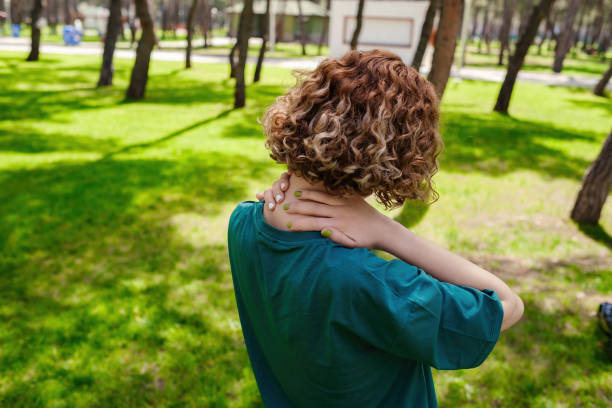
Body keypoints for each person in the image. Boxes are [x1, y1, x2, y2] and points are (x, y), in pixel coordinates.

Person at [227, 49, 524, 408]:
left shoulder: (242, 222)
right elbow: (507, 305)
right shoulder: (370, 284)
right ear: (395, 156)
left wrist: (293, 181)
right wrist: (386, 230)